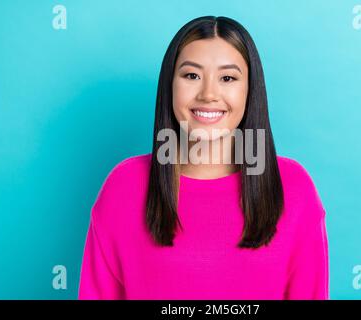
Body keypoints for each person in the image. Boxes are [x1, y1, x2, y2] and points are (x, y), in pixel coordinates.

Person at [78, 16, 329, 300]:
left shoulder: (293, 188)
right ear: (170, 85)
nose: (209, 94)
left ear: (250, 90)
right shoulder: (124, 186)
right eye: (192, 75)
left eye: (228, 78)